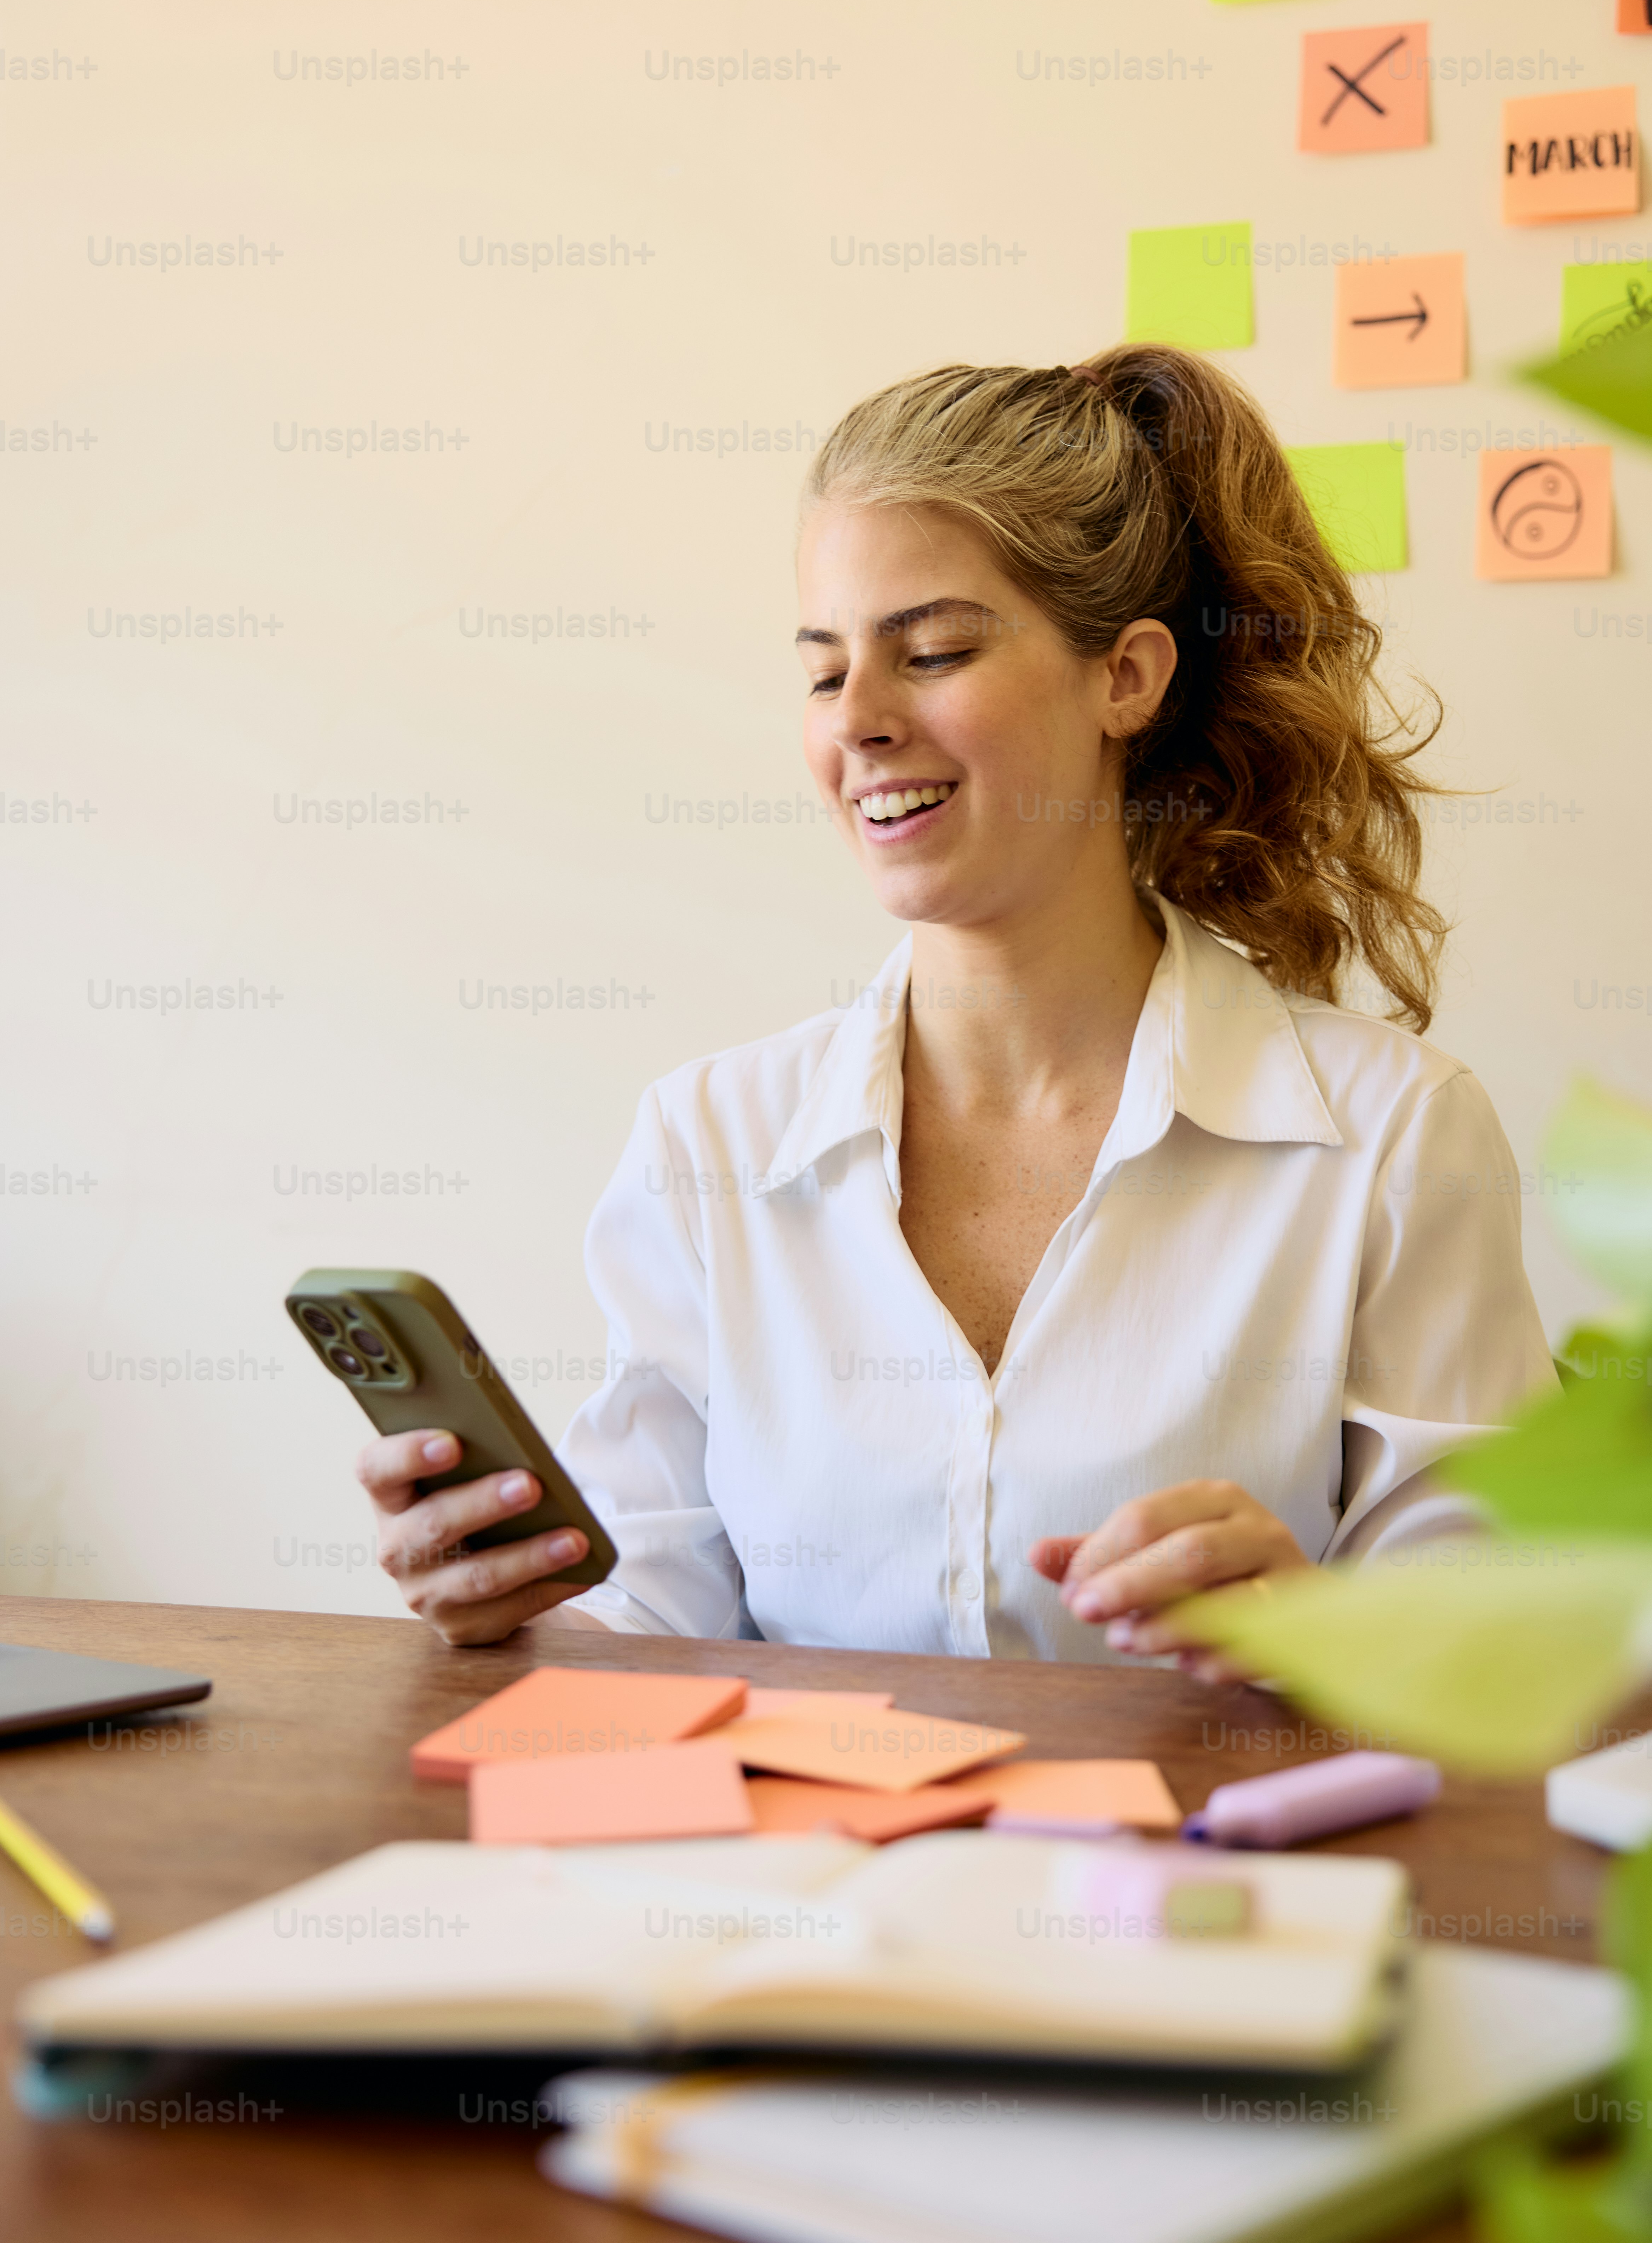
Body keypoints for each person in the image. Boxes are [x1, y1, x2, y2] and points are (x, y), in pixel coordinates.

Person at [358, 343, 1555, 1671]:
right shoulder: (708, 1142)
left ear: (1130, 678)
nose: (857, 722)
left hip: (1208, 1879)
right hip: (806, 1879)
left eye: (929, 652)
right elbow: (650, 1630)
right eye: (823, 672)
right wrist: (510, 1612)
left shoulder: (1394, 1140)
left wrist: (1314, 1640)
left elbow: (1504, 1666)